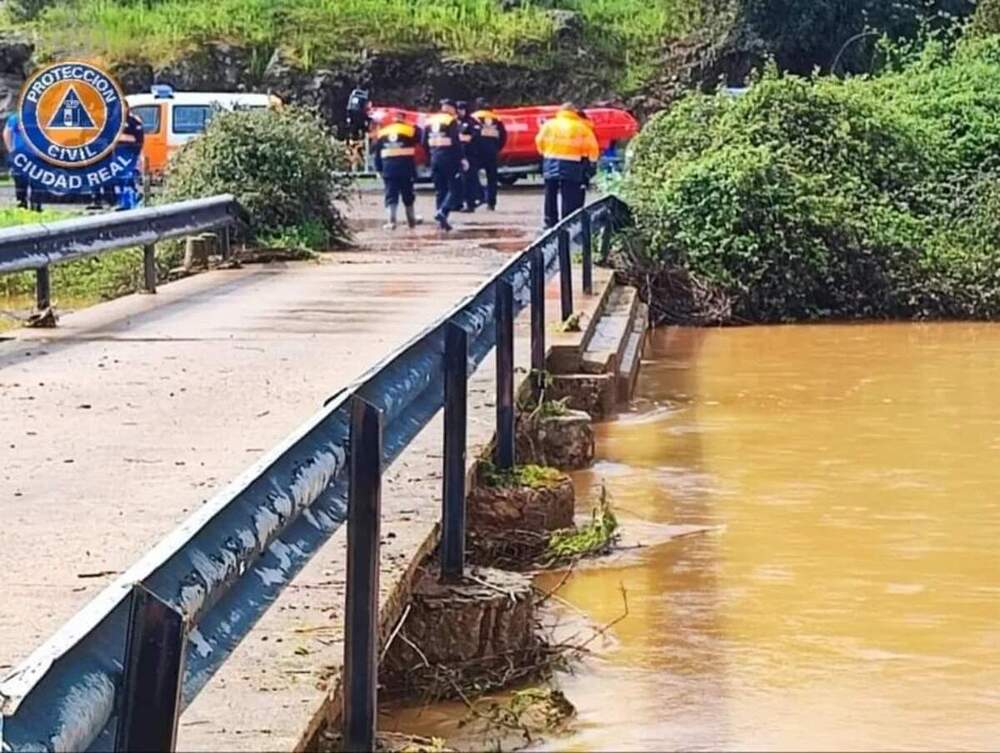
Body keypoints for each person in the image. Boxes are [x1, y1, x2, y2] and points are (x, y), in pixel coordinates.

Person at [534, 102, 599, 229]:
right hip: (572, 163)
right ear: (574, 112)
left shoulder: (549, 125)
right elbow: (592, 147)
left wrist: (545, 153)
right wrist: (592, 162)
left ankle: (550, 222)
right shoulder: (581, 127)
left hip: (550, 160)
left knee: (550, 193)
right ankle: (566, 223)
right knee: (569, 195)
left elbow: (539, 141)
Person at [422, 98, 467, 231]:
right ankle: (443, 211)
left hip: (434, 157)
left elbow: (424, 142)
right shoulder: (450, 121)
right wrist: (462, 158)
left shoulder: (430, 121)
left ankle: (441, 220)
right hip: (449, 158)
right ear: (451, 109)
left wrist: (430, 154)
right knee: (456, 188)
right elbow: (455, 142)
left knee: (440, 190)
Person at [373, 110, 422, 230]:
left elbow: (377, 153)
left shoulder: (383, 132)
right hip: (406, 168)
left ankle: (391, 221)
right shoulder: (409, 130)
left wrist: (379, 169)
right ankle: (411, 220)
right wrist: (411, 123)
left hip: (388, 169)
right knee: (408, 194)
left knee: (391, 194)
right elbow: (421, 136)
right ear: (403, 118)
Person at [472, 97, 507, 211]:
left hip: (477, 152)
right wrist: (497, 148)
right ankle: (491, 203)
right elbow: (503, 136)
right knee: (492, 178)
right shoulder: (497, 118)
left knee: (472, 175)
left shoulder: (474, 117)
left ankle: (480, 196)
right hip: (492, 152)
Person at [112, 103, 145, 210]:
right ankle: (124, 202)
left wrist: (120, 137)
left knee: (128, 178)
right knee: (119, 181)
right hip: (116, 157)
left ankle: (130, 203)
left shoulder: (133, 122)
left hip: (131, 156)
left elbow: (138, 139)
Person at [456, 100, 481, 212]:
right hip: (457, 154)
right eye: (458, 110)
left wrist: (465, 138)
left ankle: (470, 203)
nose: (460, 112)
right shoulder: (454, 122)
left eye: (462, 109)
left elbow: (475, 135)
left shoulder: (472, 122)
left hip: (470, 154)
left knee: (469, 179)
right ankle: (459, 202)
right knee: (459, 180)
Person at [2, 112, 29, 209]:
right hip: (20, 153)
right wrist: (11, 150)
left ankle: (36, 205)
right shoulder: (15, 117)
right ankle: (22, 203)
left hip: (35, 154)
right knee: (20, 179)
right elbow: (7, 133)